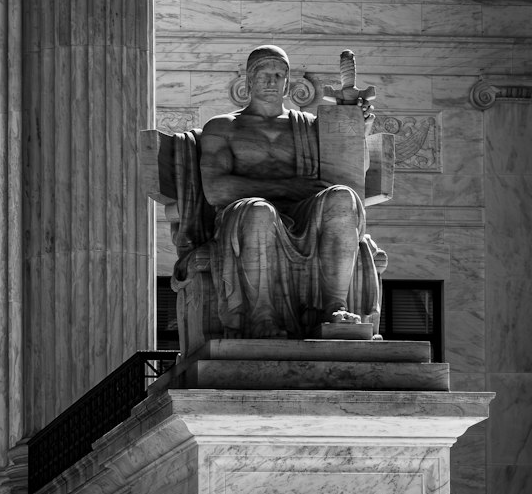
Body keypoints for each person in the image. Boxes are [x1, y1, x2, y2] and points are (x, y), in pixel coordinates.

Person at [156, 44, 385, 346]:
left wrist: (357, 126)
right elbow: (216, 190)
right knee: (258, 211)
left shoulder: (311, 128)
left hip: (304, 215)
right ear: (248, 81)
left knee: (342, 199)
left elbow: (350, 176)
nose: (270, 81)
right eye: (262, 74)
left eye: (278, 75)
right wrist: (287, 187)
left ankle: (335, 307)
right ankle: (262, 314)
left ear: (288, 83)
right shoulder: (223, 128)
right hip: (243, 218)